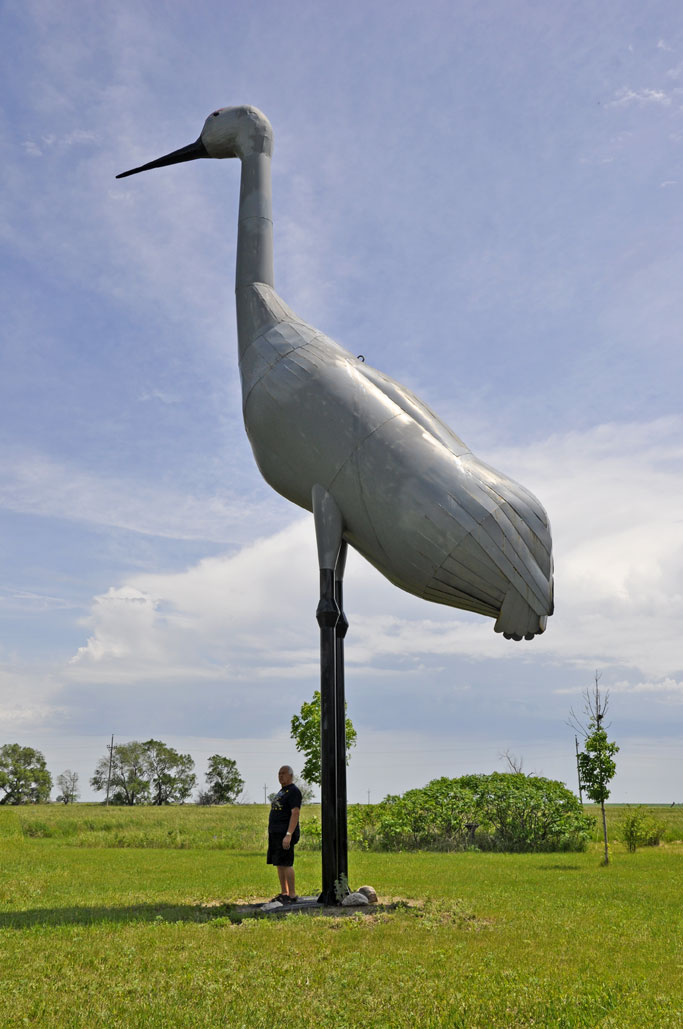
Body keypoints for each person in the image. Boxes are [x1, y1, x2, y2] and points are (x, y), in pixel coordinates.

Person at [267, 765, 302, 903]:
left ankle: (292, 895)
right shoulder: (283, 791)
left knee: (286, 863)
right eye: (279, 773)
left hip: (285, 833)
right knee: (279, 863)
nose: (280, 776)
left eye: (283, 773)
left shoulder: (293, 791)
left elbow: (295, 813)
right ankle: (284, 893)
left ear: (291, 775)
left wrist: (289, 834)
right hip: (275, 833)